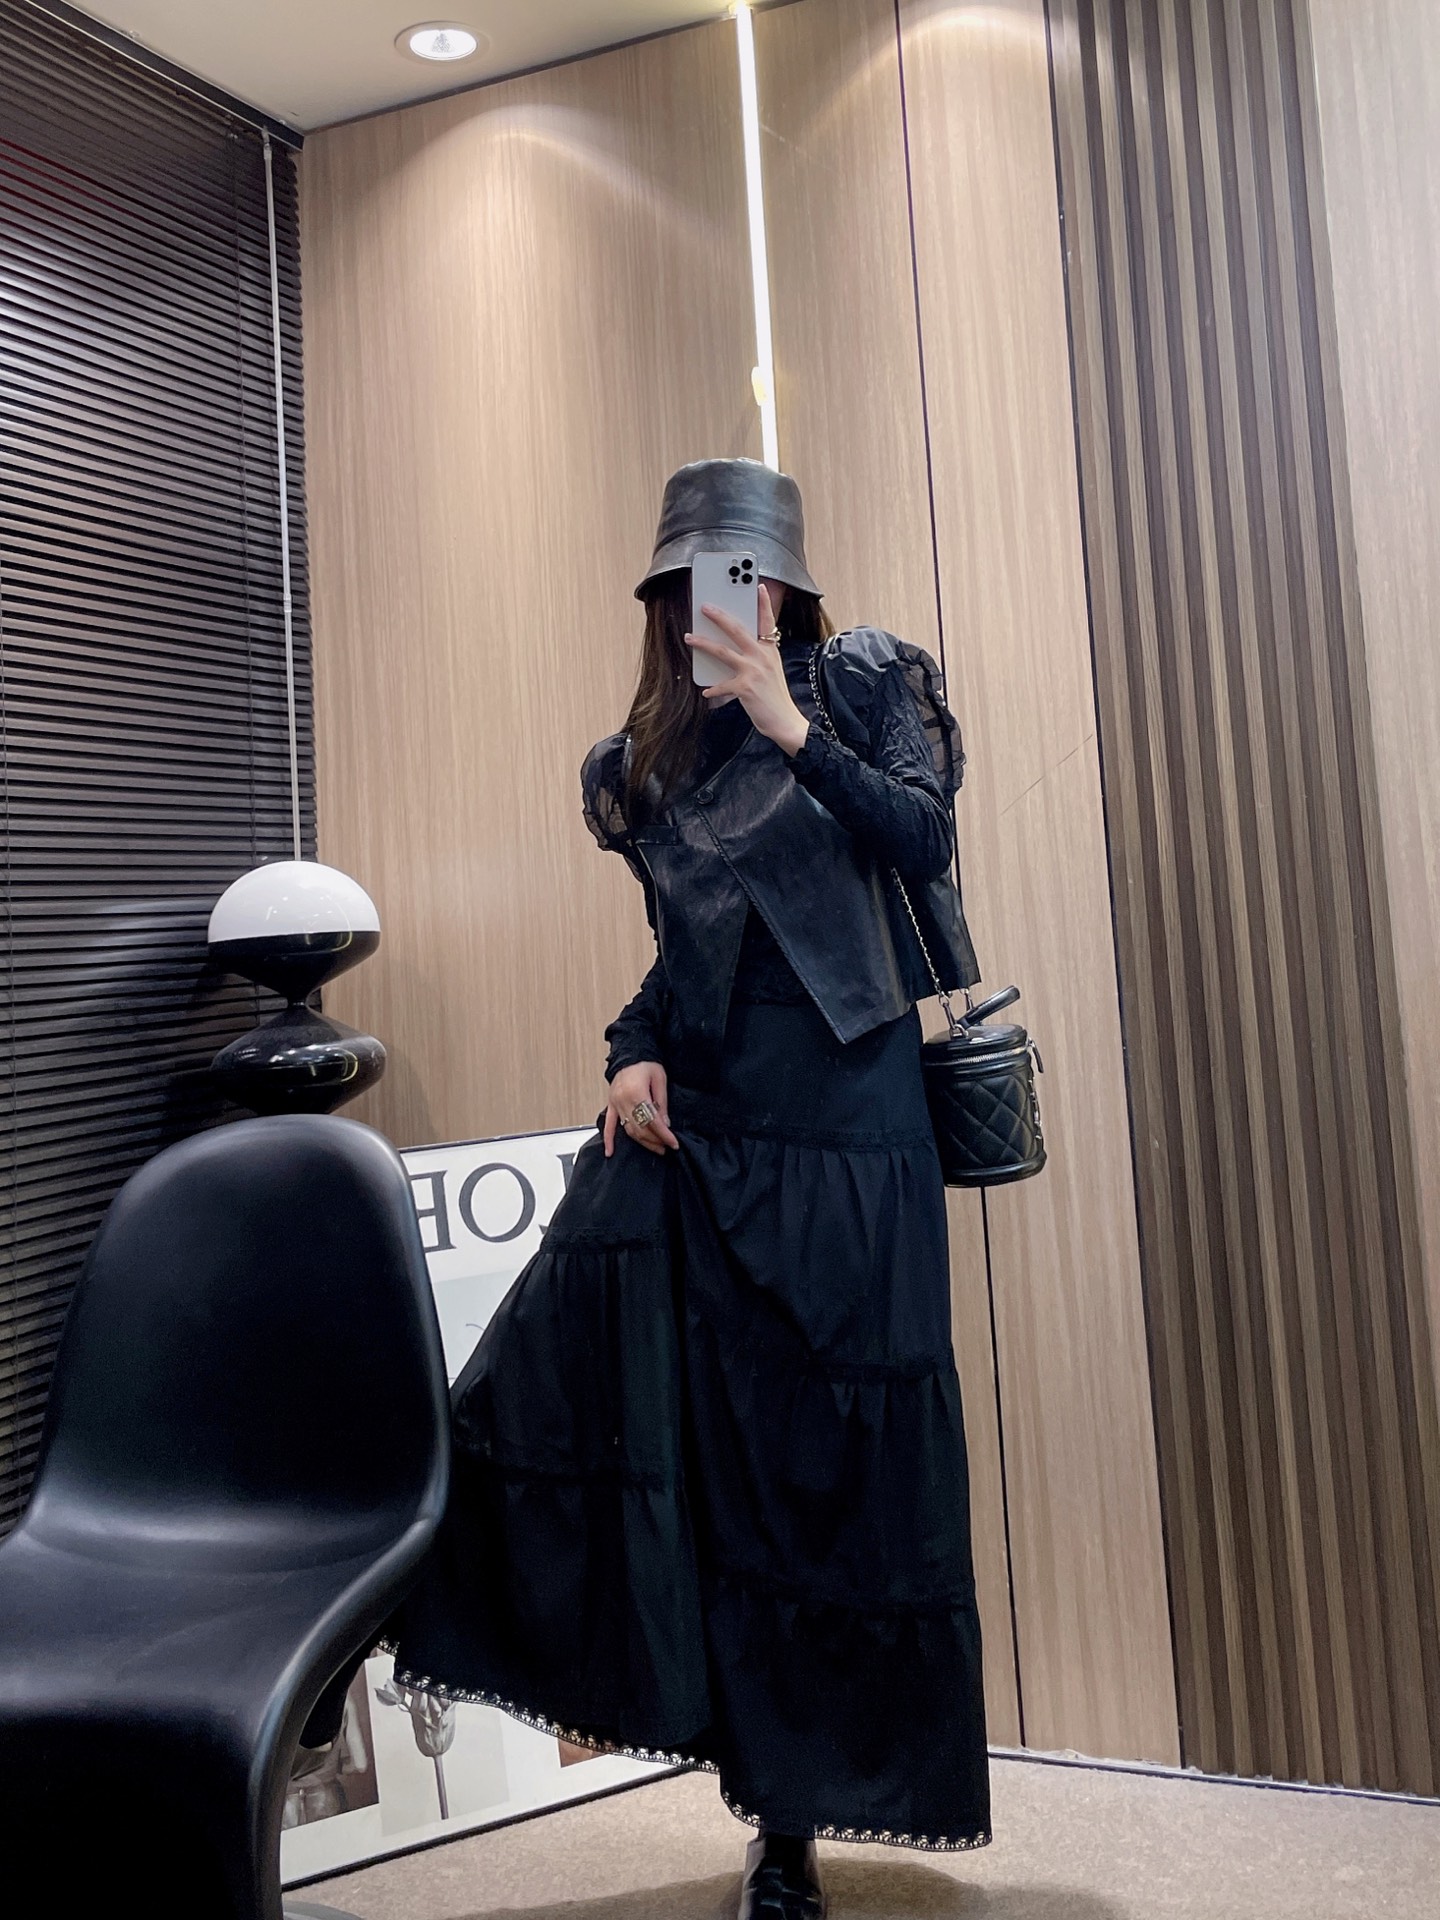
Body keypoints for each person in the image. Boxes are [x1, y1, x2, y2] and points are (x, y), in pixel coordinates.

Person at [392, 457, 991, 1917]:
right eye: (692, 580)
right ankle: (774, 1821)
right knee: (703, 1464)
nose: (720, 602)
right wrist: (630, 1052)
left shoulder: (864, 683)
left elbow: (920, 839)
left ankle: (814, 1801)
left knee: (845, 1480)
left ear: (788, 586)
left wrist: (789, 722)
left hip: (858, 1144)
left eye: (747, 575)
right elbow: (683, 956)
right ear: (664, 596)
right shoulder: (639, 766)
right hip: (714, 1143)